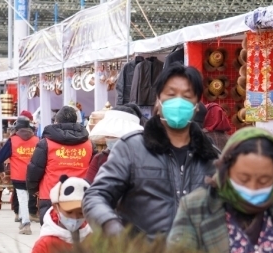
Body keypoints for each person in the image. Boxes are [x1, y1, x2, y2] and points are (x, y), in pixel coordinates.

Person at [83, 63, 218, 239]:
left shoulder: (212, 158)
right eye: (171, 94)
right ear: (158, 101)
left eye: (187, 96)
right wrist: (111, 225)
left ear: (197, 105)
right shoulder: (131, 149)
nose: (178, 102)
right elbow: (95, 195)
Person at [27, 106, 92, 223]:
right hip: (80, 196)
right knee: (80, 232)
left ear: (56, 121)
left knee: (51, 231)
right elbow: (95, 171)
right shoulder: (89, 144)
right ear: (76, 121)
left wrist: (33, 189)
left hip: (50, 195)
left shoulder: (46, 143)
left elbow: (34, 169)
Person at [0, 117, 39, 234]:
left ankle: (26, 223)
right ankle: (24, 220)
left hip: (19, 175)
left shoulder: (13, 141)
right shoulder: (36, 140)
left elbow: (0, 157)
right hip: (34, 175)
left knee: (22, 199)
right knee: (28, 198)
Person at [29, 175, 93, 253]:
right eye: (69, 212)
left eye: (81, 213)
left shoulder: (92, 239)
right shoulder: (45, 244)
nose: (75, 218)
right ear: (56, 207)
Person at [85, 105, 144, 184]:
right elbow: (88, 185)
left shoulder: (143, 159)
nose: (110, 138)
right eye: (108, 135)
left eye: (114, 135)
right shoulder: (99, 159)